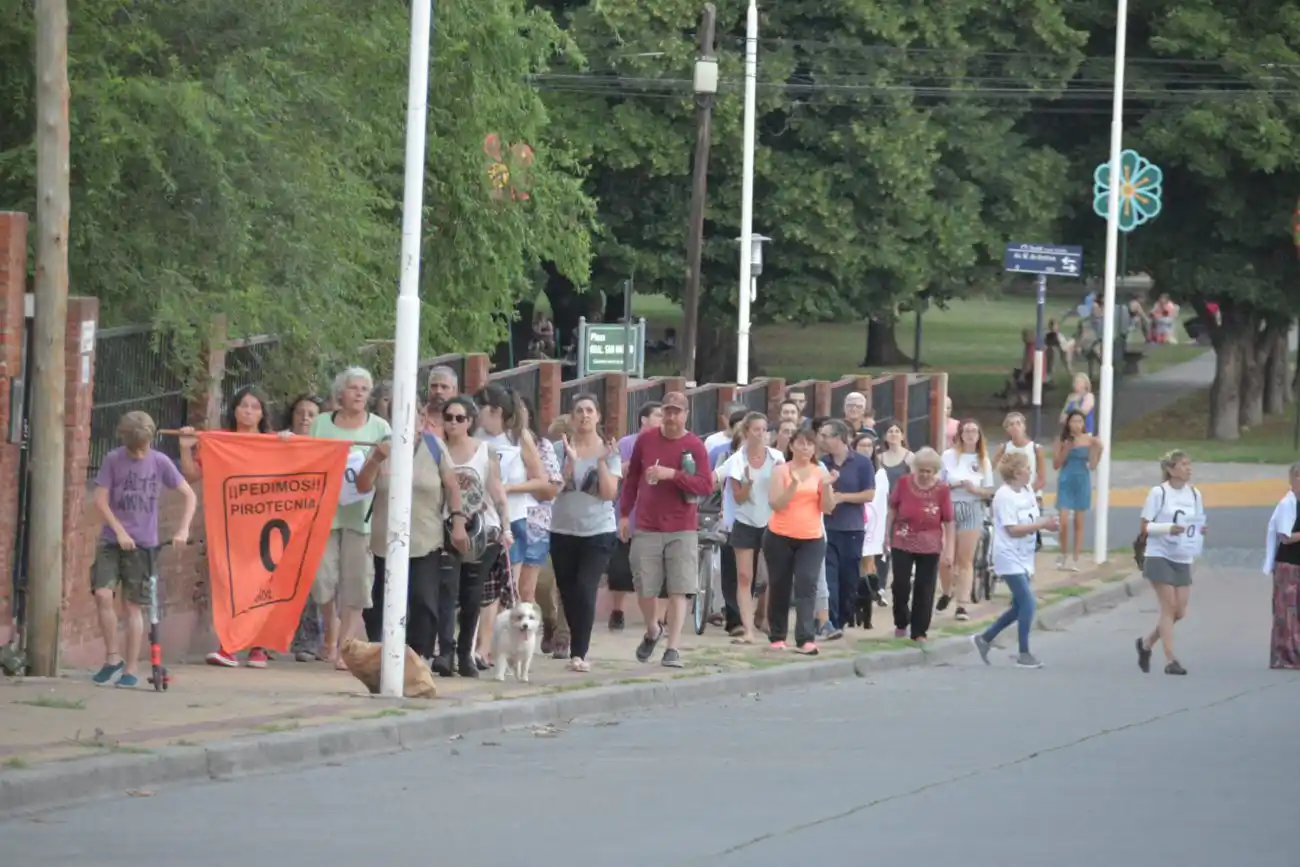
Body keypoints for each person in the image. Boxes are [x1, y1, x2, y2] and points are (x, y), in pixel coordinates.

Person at [179, 385, 283, 669]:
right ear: (234, 410)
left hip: (265, 524)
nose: (248, 411)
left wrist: (290, 442)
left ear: (262, 414)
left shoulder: (274, 443)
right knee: (228, 582)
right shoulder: (219, 442)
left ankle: (258, 647)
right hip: (228, 523)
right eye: (243, 405)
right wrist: (185, 448)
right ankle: (229, 646)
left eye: (255, 407)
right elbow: (192, 474)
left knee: (261, 582)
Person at [91, 412, 196, 687]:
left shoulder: (160, 462)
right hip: (112, 542)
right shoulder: (113, 460)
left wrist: (183, 530)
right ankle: (112, 658)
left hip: (144, 546)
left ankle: (131, 668)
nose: (139, 454)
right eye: (133, 449)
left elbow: (189, 495)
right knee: (102, 594)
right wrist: (120, 531)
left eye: (143, 448)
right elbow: (100, 500)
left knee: (132, 607)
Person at [354, 414, 468, 666]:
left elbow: (452, 486)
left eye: (413, 418)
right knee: (381, 600)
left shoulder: (434, 447)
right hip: (386, 540)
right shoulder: (383, 445)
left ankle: (419, 655)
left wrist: (459, 522)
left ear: (422, 420)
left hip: (425, 538)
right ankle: (382, 653)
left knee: (423, 599)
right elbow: (362, 486)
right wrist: (377, 459)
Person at [618, 391, 713, 668]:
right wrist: (624, 513)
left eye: (676, 412)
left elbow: (705, 485)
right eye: (667, 411)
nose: (671, 417)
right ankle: (653, 629)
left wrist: (673, 475)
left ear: (686, 415)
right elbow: (632, 478)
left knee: (679, 587)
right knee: (644, 586)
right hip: (647, 523)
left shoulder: (694, 445)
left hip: (682, 525)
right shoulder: (646, 440)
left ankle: (673, 647)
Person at [307, 368, 392, 670]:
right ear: (340, 393)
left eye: (364, 389)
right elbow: (304, 460)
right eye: (353, 388)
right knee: (321, 579)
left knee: (356, 580)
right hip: (323, 513)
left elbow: (388, 470)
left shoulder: (380, 427)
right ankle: (331, 628)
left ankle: (345, 645)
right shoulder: (320, 424)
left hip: (361, 515)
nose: (358, 393)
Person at [549, 394, 621, 672]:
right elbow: (552, 490)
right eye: (579, 411)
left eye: (590, 410)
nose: (584, 415)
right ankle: (575, 645)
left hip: (598, 531)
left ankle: (580, 652)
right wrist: (569, 463)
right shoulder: (558, 448)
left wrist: (601, 462)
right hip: (562, 529)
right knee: (567, 591)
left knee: (585, 587)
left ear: (598, 416)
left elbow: (609, 493)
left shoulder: (609, 450)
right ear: (571, 417)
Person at [442, 395, 510, 677]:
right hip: (444, 528)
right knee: (447, 592)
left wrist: (506, 527)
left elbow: (497, 490)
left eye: (459, 418)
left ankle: (465, 653)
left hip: (482, 531)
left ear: (470, 421)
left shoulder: (485, 451)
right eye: (448, 417)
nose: (453, 423)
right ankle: (445, 652)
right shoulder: (437, 450)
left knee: (472, 596)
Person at [973, 451, 1058, 669]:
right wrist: (1042, 525)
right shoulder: (1004, 496)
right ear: (1016, 472)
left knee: (1019, 606)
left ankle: (985, 638)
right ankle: (1024, 653)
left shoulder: (1027, 490)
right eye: (1026, 468)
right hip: (1008, 555)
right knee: (1028, 602)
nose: (1030, 471)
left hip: (1025, 554)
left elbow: (1031, 517)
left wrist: (1046, 524)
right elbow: (1012, 530)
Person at [763, 426, 835, 654]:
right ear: (792, 445)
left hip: (811, 537)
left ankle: (805, 638)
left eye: (809, 443)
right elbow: (776, 504)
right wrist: (793, 485)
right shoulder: (780, 470)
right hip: (779, 536)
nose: (805, 447)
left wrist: (827, 487)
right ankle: (777, 636)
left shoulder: (819, 472)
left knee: (807, 583)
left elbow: (827, 508)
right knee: (780, 585)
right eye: (801, 442)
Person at [1134, 450, 1205, 676]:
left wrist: (1199, 530)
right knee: (1169, 606)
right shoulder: (1159, 493)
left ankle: (1146, 643)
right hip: (1159, 554)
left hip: (1182, 555)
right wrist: (1167, 528)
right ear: (1171, 470)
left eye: (1189, 464)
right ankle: (1170, 658)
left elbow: (1196, 522)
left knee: (1180, 611)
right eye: (1183, 464)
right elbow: (1145, 527)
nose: (1188, 468)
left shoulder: (1195, 494)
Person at [722, 412, 784, 644]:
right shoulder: (737, 460)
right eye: (756, 429)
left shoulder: (776, 457)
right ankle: (748, 629)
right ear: (746, 431)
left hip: (771, 522)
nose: (761, 434)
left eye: (764, 430)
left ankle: (766, 618)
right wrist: (747, 484)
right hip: (745, 521)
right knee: (744, 576)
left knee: (771, 576)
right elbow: (739, 498)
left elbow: (781, 488)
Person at [885, 447, 954, 642]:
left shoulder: (942, 490)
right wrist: (886, 534)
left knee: (925, 588)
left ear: (935, 471)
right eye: (921, 470)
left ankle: (919, 631)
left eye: (928, 471)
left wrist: (949, 549)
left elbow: (948, 520)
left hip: (930, 543)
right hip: (902, 538)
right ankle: (901, 622)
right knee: (900, 585)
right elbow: (892, 509)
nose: (924, 475)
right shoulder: (903, 482)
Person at [605, 401, 663, 632]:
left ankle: (656, 617)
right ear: (644, 419)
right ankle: (617, 610)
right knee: (620, 567)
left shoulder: (667, 444)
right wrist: (638, 462)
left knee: (653, 567)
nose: (662, 419)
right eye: (658, 415)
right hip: (628, 511)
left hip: (655, 514)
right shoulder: (627, 443)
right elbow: (616, 472)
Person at [819, 419, 876, 632]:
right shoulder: (822, 463)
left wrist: (843, 497)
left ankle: (843, 617)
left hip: (852, 529)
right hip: (826, 528)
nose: (822, 440)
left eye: (825, 436)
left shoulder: (862, 463)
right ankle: (831, 622)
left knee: (848, 579)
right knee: (829, 578)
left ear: (839, 438)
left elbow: (869, 494)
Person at [939, 419, 995, 621]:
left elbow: (988, 491)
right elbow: (938, 483)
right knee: (945, 559)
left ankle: (962, 605)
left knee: (965, 559)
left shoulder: (983, 460)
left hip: (972, 507)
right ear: (960, 434)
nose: (971, 435)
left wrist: (974, 489)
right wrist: (953, 485)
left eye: (974, 431)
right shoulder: (948, 456)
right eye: (967, 431)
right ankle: (947, 591)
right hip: (950, 506)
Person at [1053, 410, 1103, 571]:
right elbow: (1056, 464)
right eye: (1074, 421)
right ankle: (1063, 553)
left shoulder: (1089, 440)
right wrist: (1066, 449)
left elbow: (1093, 465)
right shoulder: (1062, 440)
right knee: (1063, 520)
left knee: (1079, 522)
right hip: (1066, 479)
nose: (1077, 425)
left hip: (1082, 480)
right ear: (1068, 423)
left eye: (1080, 421)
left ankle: (1076, 557)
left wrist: (1098, 449)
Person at [1264, 463, 1300, 670]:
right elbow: (1285, 537)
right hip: (1289, 565)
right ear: (1293, 479)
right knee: (1286, 612)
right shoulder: (1287, 504)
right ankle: (1285, 655)